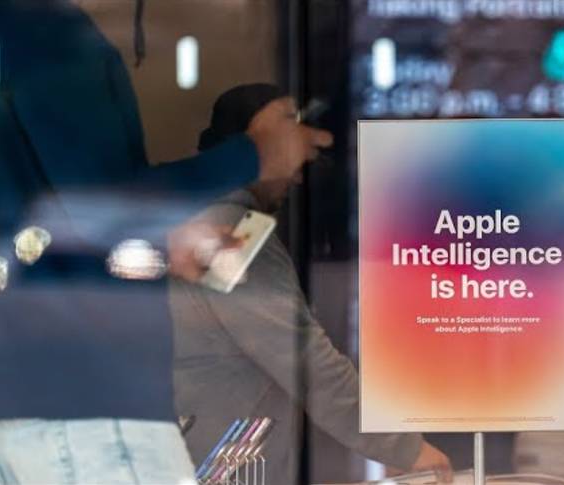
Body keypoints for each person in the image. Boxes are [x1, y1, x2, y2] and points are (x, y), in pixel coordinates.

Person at [0, 1, 330, 484]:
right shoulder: (47, 29)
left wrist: (165, 246)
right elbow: (106, 201)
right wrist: (258, 153)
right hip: (84, 398)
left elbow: (45, 220)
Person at [171, 85, 454, 484]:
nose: (298, 175)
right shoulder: (230, 232)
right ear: (259, 148)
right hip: (220, 469)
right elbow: (302, 355)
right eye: (290, 150)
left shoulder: (202, 223)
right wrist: (405, 448)